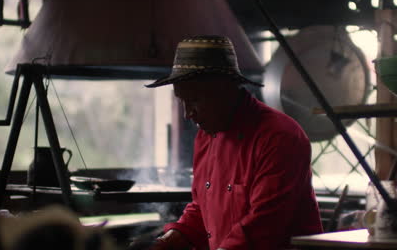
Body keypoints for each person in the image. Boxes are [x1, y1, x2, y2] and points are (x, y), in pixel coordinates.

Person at [138, 35, 323, 250]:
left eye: (195, 100)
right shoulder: (206, 135)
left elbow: (263, 226)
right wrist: (166, 241)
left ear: (225, 89)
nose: (188, 114)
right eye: (182, 101)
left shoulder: (279, 137)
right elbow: (201, 210)